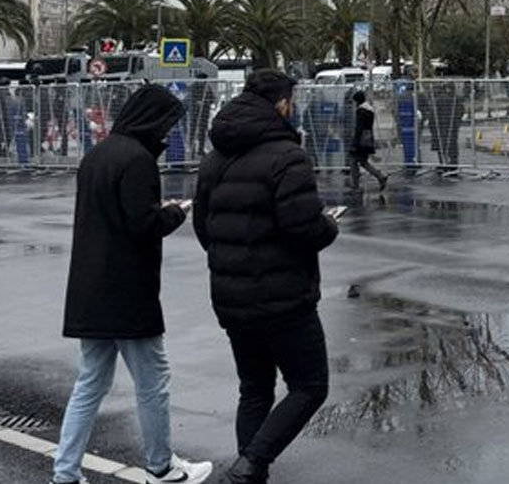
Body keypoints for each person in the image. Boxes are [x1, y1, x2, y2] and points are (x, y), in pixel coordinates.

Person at [53, 85, 212, 484]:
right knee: (153, 380)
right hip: (126, 291)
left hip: (89, 288)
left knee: (90, 383)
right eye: (166, 124)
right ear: (152, 120)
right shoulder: (138, 161)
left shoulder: (98, 155)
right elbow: (143, 225)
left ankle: (65, 473)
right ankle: (160, 467)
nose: (167, 133)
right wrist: (175, 213)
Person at [194, 70, 339, 484]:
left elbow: (204, 226)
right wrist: (329, 226)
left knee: (255, 387)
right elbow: (304, 228)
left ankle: (249, 474)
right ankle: (250, 465)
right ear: (281, 105)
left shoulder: (215, 157)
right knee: (310, 385)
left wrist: (234, 260)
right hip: (284, 298)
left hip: (231, 295)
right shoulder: (286, 155)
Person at [348, 90, 388, 190]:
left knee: (354, 160)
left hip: (361, 139)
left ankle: (355, 184)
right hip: (368, 138)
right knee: (362, 161)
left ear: (357, 101)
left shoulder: (361, 111)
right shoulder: (369, 110)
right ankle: (380, 177)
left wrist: (355, 142)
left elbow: (359, 128)